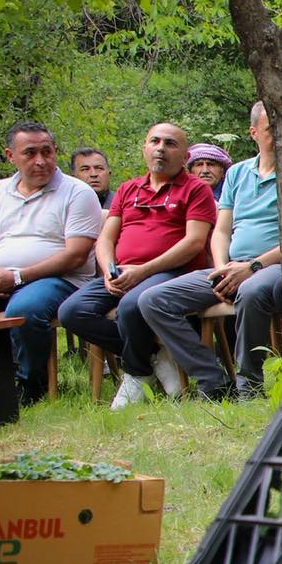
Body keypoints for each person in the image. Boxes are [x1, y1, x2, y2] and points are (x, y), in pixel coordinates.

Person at [57, 122, 218, 408]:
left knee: (132, 304)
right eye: (154, 141)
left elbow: (194, 243)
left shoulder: (195, 190)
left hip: (172, 272)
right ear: (144, 148)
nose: (160, 148)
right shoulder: (129, 189)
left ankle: (136, 373)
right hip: (123, 272)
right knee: (72, 311)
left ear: (185, 157)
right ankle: (152, 358)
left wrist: (143, 271)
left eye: (170, 143)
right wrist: (109, 270)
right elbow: (105, 238)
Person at [134, 102, 282, 400]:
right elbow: (222, 229)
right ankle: (214, 381)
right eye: (271, 128)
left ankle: (249, 387)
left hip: (275, 266)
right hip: (230, 266)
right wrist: (221, 268)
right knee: (153, 299)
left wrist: (252, 267)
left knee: (251, 291)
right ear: (254, 133)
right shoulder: (238, 173)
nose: (280, 133)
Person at [0, 122, 102, 405]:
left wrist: (17, 277)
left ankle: (31, 384)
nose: (40, 161)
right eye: (30, 153)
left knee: (23, 309)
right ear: (10, 156)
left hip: (60, 279)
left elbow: (76, 255)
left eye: (47, 152)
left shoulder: (76, 192)